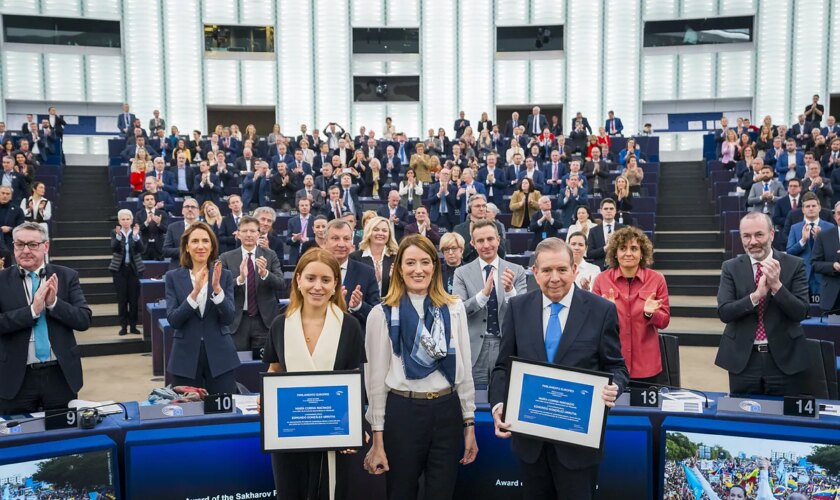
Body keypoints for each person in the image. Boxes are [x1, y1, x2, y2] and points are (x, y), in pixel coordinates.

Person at [489, 238, 627, 500]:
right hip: (530, 445)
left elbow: (617, 366)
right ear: (535, 273)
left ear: (575, 269)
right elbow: (502, 367)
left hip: (578, 448)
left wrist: (615, 387)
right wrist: (498, 405)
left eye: (562, 270)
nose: (555, 278)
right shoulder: (518, 308)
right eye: (547, 270)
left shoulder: (601, 310)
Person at [363, 235, 477, 498]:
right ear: (399, 269)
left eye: (425, 262)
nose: (418, 269)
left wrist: (468, 423)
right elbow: (376, 381)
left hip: (447, 413)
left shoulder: (455, 308)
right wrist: (378, 438)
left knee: (442, 493)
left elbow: (464, 371)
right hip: (403, 413)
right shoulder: (381, 314)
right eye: (410, 262)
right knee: (401, 492)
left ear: (434, 268)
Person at [261, 248, 365, 500]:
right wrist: (265, 397)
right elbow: (274, 370)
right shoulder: (280, 324)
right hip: (289, 435)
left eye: (326, 280)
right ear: (298, 280)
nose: (317, 286)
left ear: (335, 285)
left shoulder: (349, 325)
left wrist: (355, 424)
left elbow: (355, 377)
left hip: (333, 435)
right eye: (310, 278)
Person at [0, 222, 92, 414]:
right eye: (19, 244)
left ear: (46, 246)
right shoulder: (2, 281)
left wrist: (53, 304)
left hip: (60, 374)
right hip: (15, 377)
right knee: (18, 439)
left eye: (32, 245)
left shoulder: (67, 276)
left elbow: (83, 320)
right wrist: (32, 310)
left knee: (61, 438)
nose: (25, 250)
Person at [715, 212, 810, 396]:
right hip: (743, 360)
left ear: (772, 234)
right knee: (743, 419)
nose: (752, 242)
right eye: (746, 236)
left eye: (759, 234)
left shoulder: (794, 265)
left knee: (784, 420)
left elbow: (801, 312)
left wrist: (777, 286)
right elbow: (725, 313)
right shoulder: (730, 267)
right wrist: (756, 296)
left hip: (784, 359)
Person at [164, 221, 239, 394]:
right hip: (185, 359)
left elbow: (228, 318)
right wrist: (195, 292)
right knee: (187, 414)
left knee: (223, 414)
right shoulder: (172, 277)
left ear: (212, 247)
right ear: (187, 247)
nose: (200, 246)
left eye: (205, 241)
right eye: (195, 241)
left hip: (221, 357)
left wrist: (218, 290)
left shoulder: (224, 276)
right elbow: (174, 320)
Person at [453, 219, 526, 385]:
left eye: (490, 239)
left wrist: (509, 291)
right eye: (480, 241)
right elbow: (458, 310)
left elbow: (523, 312)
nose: (486, 245)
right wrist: (483, 295)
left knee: (504, 398)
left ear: (498, 239)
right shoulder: (461, 273)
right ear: (472, 243)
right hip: (474, 349)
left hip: (506, 345)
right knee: (475, 400)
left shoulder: (517, 271)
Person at [592, 227, 670, 382]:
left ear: (642, 253)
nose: (628, 253)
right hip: (611, 363)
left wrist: (649, 313)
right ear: (615, 252)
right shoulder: (601, 279)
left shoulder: (657, 279)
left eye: (634, 248)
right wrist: (607, 312)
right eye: (622, 248)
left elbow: (664, 321)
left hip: (646, 366)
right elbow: (592, 324)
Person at [219, 216, 285, 352]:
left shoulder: (270, 255)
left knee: (263, 365)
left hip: (264, 320)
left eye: (252, 231)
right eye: (244, 231)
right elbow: (220, 288)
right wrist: (240, 279)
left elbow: (281, 284)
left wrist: (265, 274)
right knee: (238, 364)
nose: (248, 234)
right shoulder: (226, 257)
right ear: (238, 234)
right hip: (237, 321)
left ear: (259, 234)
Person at [324, 219, 380, 327]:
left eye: (346, 239)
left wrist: (358, 306)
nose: (341, 244)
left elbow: (377, 315)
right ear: (325, 242)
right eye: (335, 238)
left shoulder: (366, 272)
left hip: (354, 339)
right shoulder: (312, 271)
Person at [786, 192, 834, 300]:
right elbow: (789, 252)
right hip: (803, 275)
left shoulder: (830, 227)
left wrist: (820, 240)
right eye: (807, 206)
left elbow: (833, 253)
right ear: (803, 210)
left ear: (819, 208)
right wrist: (803, 240)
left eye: (813, 206)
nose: (811, 208)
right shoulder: (795, 228)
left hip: (823, 276)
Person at [109, 210, 145, 336]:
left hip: (134, 270)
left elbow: (141, 249)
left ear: (131, 220)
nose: (125, 221)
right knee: (122, 300)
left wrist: (136, 237)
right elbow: (113, 248)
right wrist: (118, 237)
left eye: (127, 219)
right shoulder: (115, 233)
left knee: (134, 299)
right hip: (119, 270)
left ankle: (133, 326)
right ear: (119, 221)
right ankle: (123, 326)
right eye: (123, 219)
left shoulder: (136, 232)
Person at [350, 216, 398, 297]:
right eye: (376, 230)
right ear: (369, 232)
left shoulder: (396, 258)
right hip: (364, 306)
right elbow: (352, 288)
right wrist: (373, 280)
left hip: (389, 306)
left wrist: (394, 279)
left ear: (389, 234)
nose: (380, 233)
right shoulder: (355, 258)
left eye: (384, 230)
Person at [453, 194, 508, 263]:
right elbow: (457, 255)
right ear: (469, 209)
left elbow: (502, 254)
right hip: (467, 268)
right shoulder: (459, 229)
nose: (481, 209)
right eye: (477, 206)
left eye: (484, 206)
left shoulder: (496, 226)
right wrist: (471, 244)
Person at [812, 201, 840, 312]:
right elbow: (815, 264)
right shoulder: (824, 236)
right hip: (831, 298)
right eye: (839, 213)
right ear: (834, 216)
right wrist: (833, 266)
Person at [587, 198, 625, 269]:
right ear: (601, 211)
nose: (608, 211)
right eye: (606, 209)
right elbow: (589, 254)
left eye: (611, 209)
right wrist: (605, 249)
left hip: (620, 267)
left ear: (615, 211)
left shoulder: (623, 229)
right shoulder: (593, 231)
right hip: (599, 269)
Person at [136, 191, 168, 260]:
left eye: (152, 199)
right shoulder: (139, 214)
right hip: (144, 247)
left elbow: (166, 230)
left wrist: (159, 224)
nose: (150, 201)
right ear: (143, 203)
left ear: (155, 201)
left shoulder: (162, 213)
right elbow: (138, 230)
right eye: (147, 200)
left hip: (159, 247)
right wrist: (146, 223)